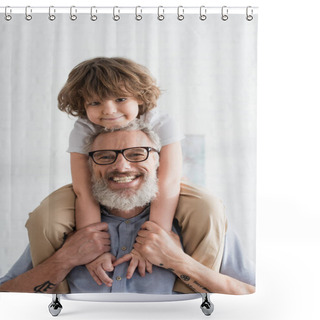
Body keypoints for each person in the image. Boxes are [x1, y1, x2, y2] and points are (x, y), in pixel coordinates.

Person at [24, 57, 225, 293]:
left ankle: (191, 293)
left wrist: (151, 244)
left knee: (206, 208)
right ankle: (55, 294)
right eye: (95, 102)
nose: (108, 110)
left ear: (139, 97)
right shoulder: (83, 128)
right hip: (96, 185)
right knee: (45, 218)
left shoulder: (160, 121)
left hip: (163, 182)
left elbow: (168, 182)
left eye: (120, 99)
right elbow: (83, 189)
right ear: (83, 104)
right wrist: (94, 252)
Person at [0, 121, 254, 295]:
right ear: (90, 168)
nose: (121, 166)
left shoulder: (199, 221)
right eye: (105, 156)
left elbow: (251, 295)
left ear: (157, 162)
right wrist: (65, 259)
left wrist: (178, 262)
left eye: (136, 154)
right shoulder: (61, 229)